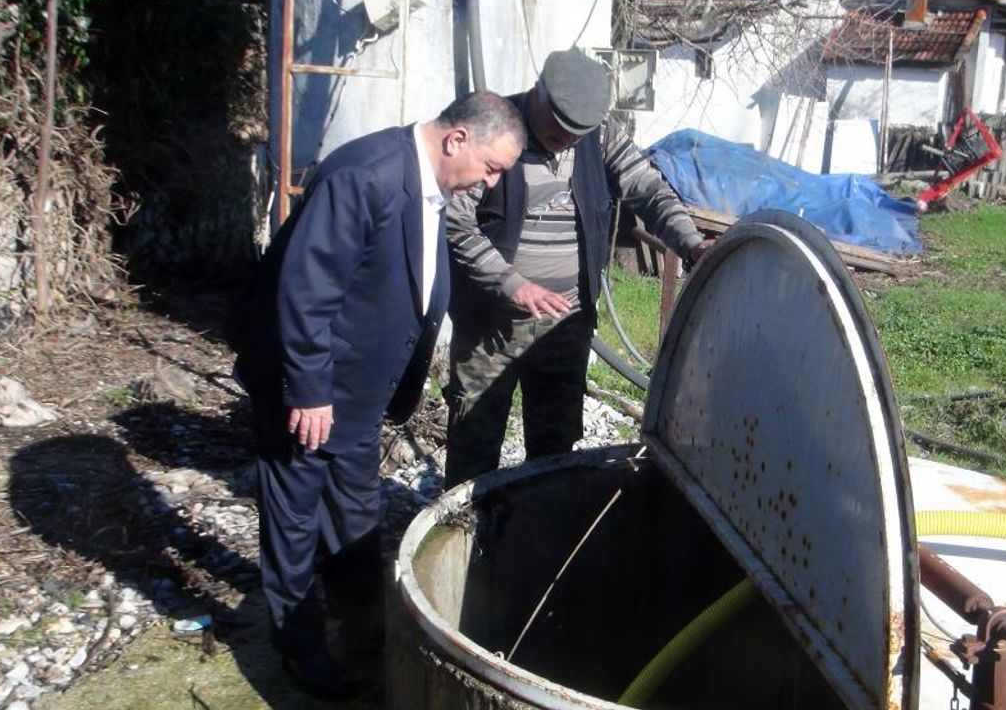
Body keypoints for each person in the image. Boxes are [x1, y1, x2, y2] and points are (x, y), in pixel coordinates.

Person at [233, 90, 524, 699]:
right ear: (457, 139)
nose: (491, 183)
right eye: (492, 167)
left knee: (354, 517)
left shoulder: (430, 187)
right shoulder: (365, 175)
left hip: (358, 397)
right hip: (309, 393)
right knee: (294, 520)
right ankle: (299, 648)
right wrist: (308, 389)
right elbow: (305, 289)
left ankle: (364, 637)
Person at [444, 48, 712, 489]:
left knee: (555, 450)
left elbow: (648, 189)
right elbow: (455, 222)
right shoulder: (495, 127)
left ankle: (543, 525)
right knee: (473, 444)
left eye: (576, 134)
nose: (567, 140)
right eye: (558, 128)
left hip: (565, 324)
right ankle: (472, 527)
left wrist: (691, 243)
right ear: (538, 93)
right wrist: (511, 284)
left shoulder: (599, 136)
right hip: (490, 325)